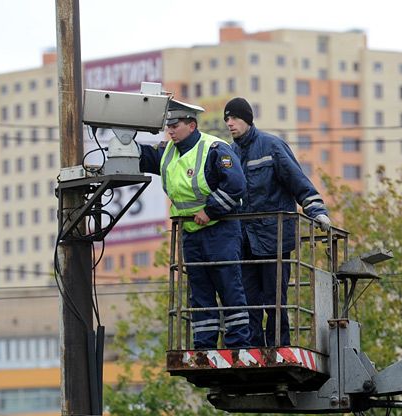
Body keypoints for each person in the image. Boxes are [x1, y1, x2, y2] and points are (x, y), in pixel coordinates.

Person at [139, 100, 251, 349]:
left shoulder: (214, 149)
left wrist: (210, 211)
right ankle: (204, 344)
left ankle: (238, 343)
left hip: (220, 230)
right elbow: (142, 156)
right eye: (168, 126)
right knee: (200, 292)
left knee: (229, 286)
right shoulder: (167, 152)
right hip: (192, 233)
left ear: (192, 125)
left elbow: (236, 185)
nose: (170, 130)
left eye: (175, 125)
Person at [223, 97, 331, 347]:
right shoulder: (230, 154)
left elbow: (297, 181)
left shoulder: (271, 146)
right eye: (227, 119)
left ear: (248, 119)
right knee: (248, 300)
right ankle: (254, 350)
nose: (230, 123)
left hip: (275, 239)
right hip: (246, 241)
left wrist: (317, 210)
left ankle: (277, 347)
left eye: (234, 118)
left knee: (274, 300)